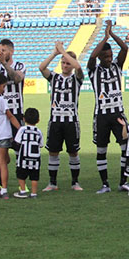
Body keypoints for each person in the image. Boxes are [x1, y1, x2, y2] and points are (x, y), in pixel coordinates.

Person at [88, 19, 129, 193]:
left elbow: (125, 49)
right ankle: (105, 184)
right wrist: (104, 39)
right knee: (101, 149)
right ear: (100, 57)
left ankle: (122, 181)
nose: (109, 59)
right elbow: (91, 57)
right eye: (105, 57)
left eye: (110, 56)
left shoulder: (117, 66)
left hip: (118, 114)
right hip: (102, 115)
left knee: (126, 147)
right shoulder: (93, 70)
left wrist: (111, 34)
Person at [39, 42, 84, 192]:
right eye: (63, 63)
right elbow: (41, 67)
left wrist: (63, 51)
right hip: (55, 121)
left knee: (73, 152)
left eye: (67, 63)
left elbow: (78, 67)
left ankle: (75, 182)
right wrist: (55, 53)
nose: (65, 65)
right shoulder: (54, 78)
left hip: (71, 122)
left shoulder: (77, 79)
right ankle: (52, 183)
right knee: (53, 152)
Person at [0, 38, 26, 167]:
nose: (0, 53)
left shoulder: (19, 65)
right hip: (0, 114)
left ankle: (21, 184)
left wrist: (5, 64)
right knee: (0, 151)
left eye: (3, 50)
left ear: (11, 51)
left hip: (16, 112)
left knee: (19, 147)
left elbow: (17, 79)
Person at [13, 108, 44, 199]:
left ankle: (23, 191)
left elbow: (17, 141)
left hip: (23, 158)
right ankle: (34, 193)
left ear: (24, 119)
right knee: (34, 176)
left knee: (20, 174)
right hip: (35, 159)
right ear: (38, 120)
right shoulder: (39, 131)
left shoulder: (22, 129)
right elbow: (41, 145)